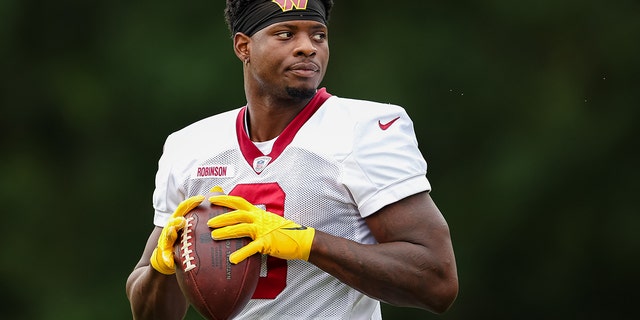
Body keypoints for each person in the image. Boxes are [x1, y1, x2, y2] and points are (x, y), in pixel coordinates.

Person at [126, 0, 458, 319]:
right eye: (286, 34)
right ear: (243, 47)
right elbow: (150, 314)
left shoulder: (363, 130)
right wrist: (161, 268)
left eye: (319, 35)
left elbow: (437, 281)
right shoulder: (190, 146)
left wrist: (306, 242)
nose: (307, 47)